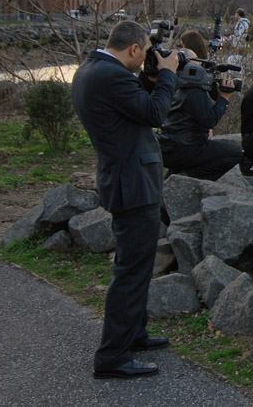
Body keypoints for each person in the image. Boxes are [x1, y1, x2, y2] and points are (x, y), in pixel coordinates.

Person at [70, 21, 180, 380]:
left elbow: (130, 110)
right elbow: (154, 114)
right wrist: (167, 76)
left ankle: (134, 333)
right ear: (134, 49)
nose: (149, 57)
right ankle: (112, 356)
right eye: (147, 51)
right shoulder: (111, 77)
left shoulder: (91, 70)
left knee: (137, 264)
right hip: (133, 184)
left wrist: (148, 81)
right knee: (131, 271)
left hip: (123, 179)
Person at [157, 49, 244, 181]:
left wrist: (215, 90)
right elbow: (210, 121)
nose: (201, 65)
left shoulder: (176, 87)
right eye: (196, 60)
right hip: (186, 149)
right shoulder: (195, 93)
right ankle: (187, 178)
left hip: (168, 149)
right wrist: (224, 98)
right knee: (236, 154)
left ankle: (175, 175)